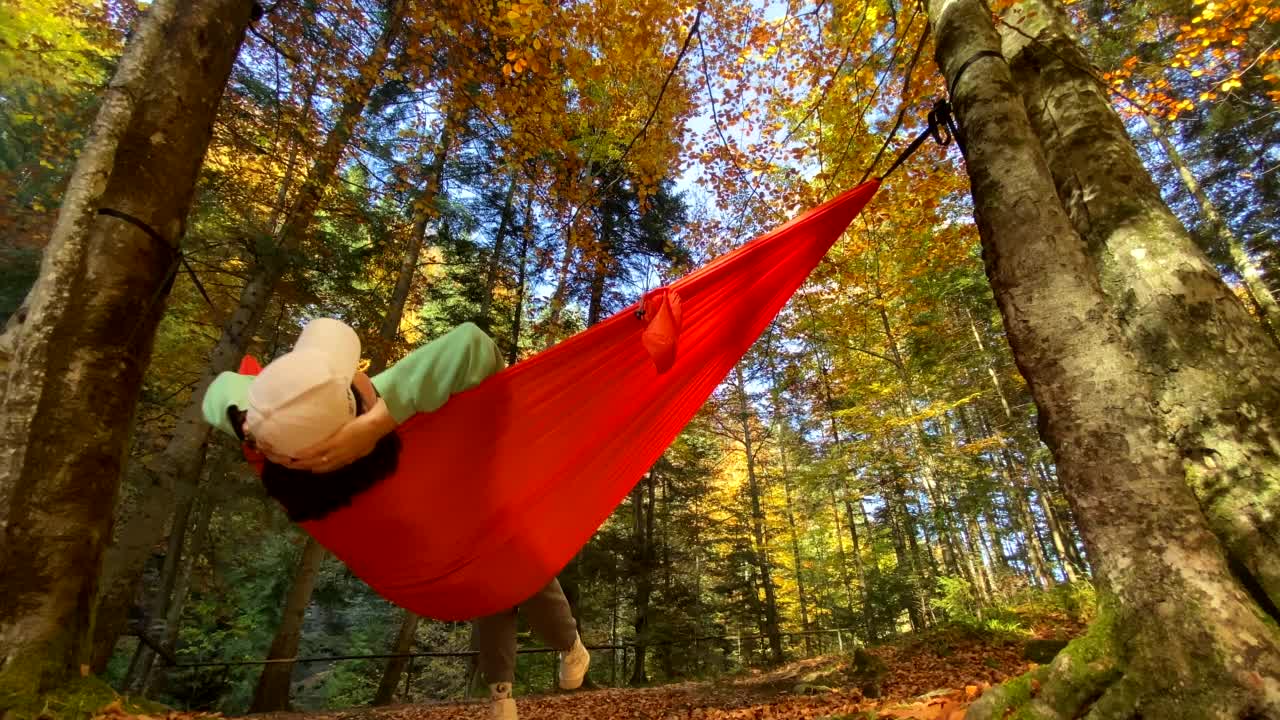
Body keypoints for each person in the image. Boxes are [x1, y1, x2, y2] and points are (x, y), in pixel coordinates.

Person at [201, 318, 589, 719]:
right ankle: (568, 646)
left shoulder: (279, 464)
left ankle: (501, 695)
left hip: (431, 558)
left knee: (490, 586)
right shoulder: (395, 425)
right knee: (519, 571)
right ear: (356, 402)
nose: (362, 372)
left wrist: (254, 424)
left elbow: (219, 392)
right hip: (474, 515)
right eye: (351, 373)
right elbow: (473, 344)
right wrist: (374, 425)